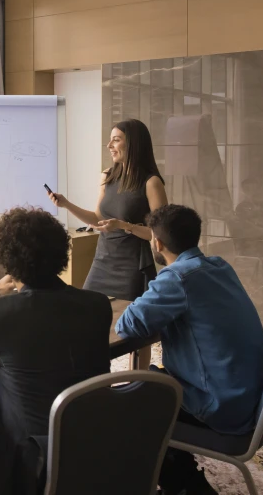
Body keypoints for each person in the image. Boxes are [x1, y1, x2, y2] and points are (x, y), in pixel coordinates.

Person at [0, 207, 112, 495]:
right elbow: (50, 345)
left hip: (34, 459)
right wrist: (0, 360)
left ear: (5, 257)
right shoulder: (97, 304)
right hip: (95, 443)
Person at [115, 204, 263, 495]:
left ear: (157, 243)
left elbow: (127, 325)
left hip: (222, 407)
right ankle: (182, 477)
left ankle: (185, 486)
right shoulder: (219, 266)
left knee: (127, 406)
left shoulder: (177, 278)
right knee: (148, 385)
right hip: (250, 396)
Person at [49, 118, 167, 368]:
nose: (109, 145)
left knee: (138, 329)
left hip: (132, 265)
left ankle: (139, 379)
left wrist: (126, 226)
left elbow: (161, 235)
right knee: (86, 319)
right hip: (103, 260)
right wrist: (66, 204)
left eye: (116, 139)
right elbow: (97, 219)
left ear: (132, 144)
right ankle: (93, 375)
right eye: (110, 139)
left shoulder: (151, 182)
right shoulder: (107, 176)